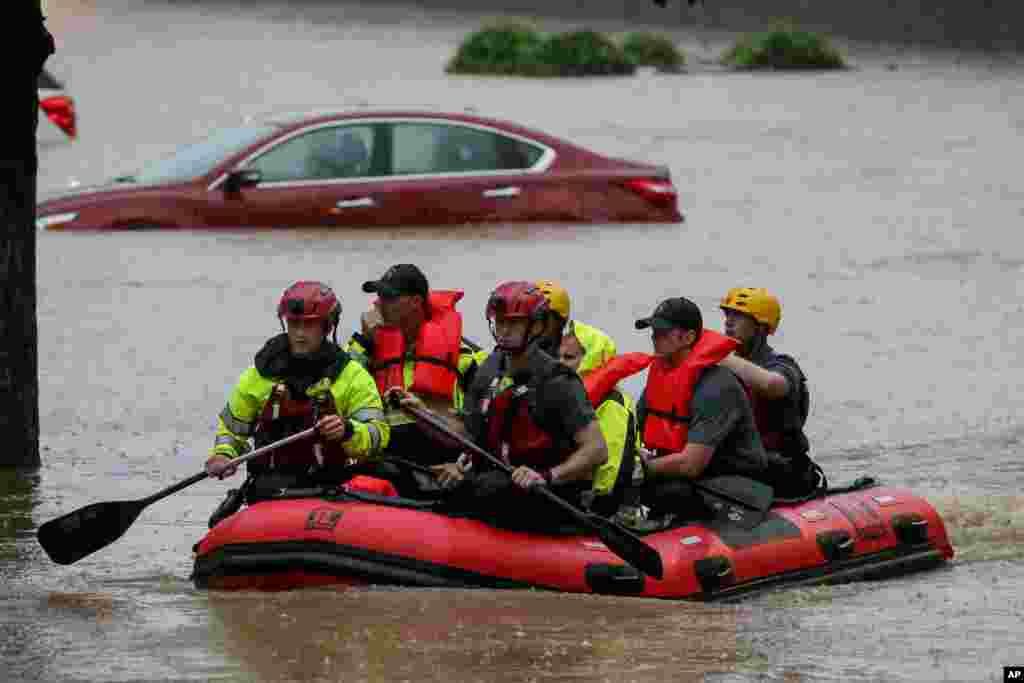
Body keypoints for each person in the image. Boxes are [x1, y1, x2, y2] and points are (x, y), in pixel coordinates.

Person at [395, 281, 609, 531]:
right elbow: (467, 434)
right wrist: (423, 414)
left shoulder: (558, 381)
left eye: (514, 323)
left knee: (484, 488)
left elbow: (597, 450)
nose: (505, 330)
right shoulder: (490, 369)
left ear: (537, 325)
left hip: (547, 493)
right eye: (500, 322)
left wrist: (547, 476)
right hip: (498, 481)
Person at [205, 281, 390, 506]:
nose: (300, 333)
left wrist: (347, 431)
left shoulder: (352, 376)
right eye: (294, 324)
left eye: (309, 325)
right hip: (269, 492)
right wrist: (224, 454)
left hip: (329, 493)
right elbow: (232, 431)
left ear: (328, 326)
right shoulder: (259, 376)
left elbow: (378, 435)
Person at [627, 297, 780, 524]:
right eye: (653, 331)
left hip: (733, 482)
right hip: (687, 475)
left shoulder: (716, 386)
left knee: (667, 490)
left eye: (663, 332)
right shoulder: (660, 378)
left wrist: (641, 469)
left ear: (688, 337)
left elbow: (691, 464)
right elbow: (634, 429)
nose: (654, 337)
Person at [346, 264, 485, 494]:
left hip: (441, 470)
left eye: (389, 298)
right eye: (378, 297)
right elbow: (339, 386)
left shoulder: (465, 358)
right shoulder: (365, 349)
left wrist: (462, 466)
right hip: (388, 466)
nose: (378, 304)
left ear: (415, 302)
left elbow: (482, 430)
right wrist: (364, 340)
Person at [718, 287, 825, 499]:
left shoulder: (783, 366)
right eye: (727, 315)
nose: (728, 322)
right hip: (742, 466)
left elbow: (773, 385)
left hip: (782, 470)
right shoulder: (723, 369)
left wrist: (720, 357)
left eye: (738, 316)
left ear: (761, 327)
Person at [557, 327, 637, 516]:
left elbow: (611, 469)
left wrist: (593, 506)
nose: (559, 364)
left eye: (568, 358)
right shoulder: (568, 394)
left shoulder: (612, 403)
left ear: (589, 360)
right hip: (567, 479)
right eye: (558, 357)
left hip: (595, 500)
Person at [534, 279, 616, 359]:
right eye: (530, 318)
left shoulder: (570, 353)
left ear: (559, 323)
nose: (535, 324)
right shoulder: (524, 350)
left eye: (543, 318)